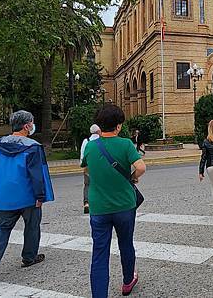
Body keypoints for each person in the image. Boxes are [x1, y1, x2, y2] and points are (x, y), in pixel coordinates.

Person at [0, 110, 54, 285]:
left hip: (4, 195)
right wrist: (40, 195)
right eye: (32, 123)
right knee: (32, 226)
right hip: (27, 195)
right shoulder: (33, 146)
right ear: (27, 126)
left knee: (2, 228)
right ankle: (29, 257)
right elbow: (36, 174)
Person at [81, 104, 146, 298]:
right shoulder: (125, 144)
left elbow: (85, 169)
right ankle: (128, 282)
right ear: (118, 126)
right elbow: (141, 167)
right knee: (126, 243)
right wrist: (133, 177)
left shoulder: (91, 146)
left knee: (99, 253)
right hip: (124, 205)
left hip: (99, 208)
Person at [80, 124, 101, 214]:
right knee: (100, 184)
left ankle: (86, 203)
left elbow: (82, 154)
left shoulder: (86, 141)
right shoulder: (101, 140)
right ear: (99, 131)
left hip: (88, 165)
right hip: (99, 166)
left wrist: (83, 165)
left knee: (87, 185)